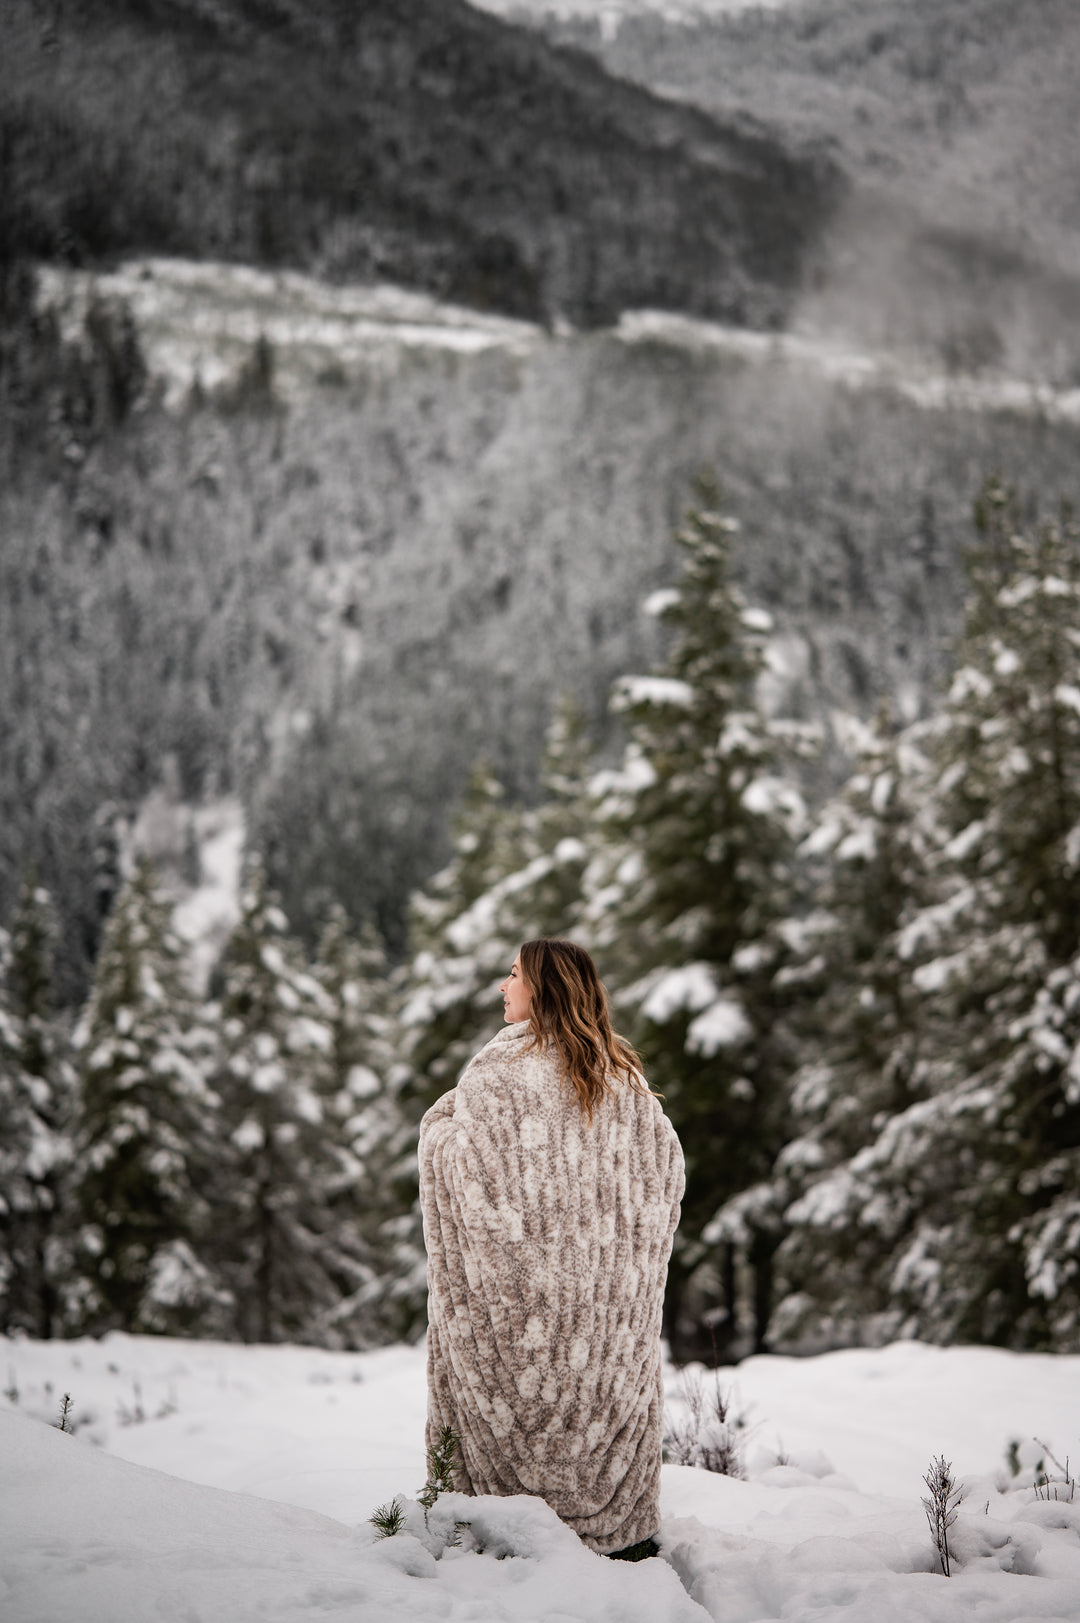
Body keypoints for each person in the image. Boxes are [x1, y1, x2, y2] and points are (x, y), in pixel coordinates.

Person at [419, 937, 685, 1558]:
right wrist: (601, 1244)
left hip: (521, 1324)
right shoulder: (621, 1076)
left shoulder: (497, 1071)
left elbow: (471, 1178)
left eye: (512, 975)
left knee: (508, 1415)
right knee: (598, 1401)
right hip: (597, 1324)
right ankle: (611, 1525)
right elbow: (663, 1170)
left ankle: (506, 1531)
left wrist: (438, 1129)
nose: (501, 987)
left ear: (540, 987)